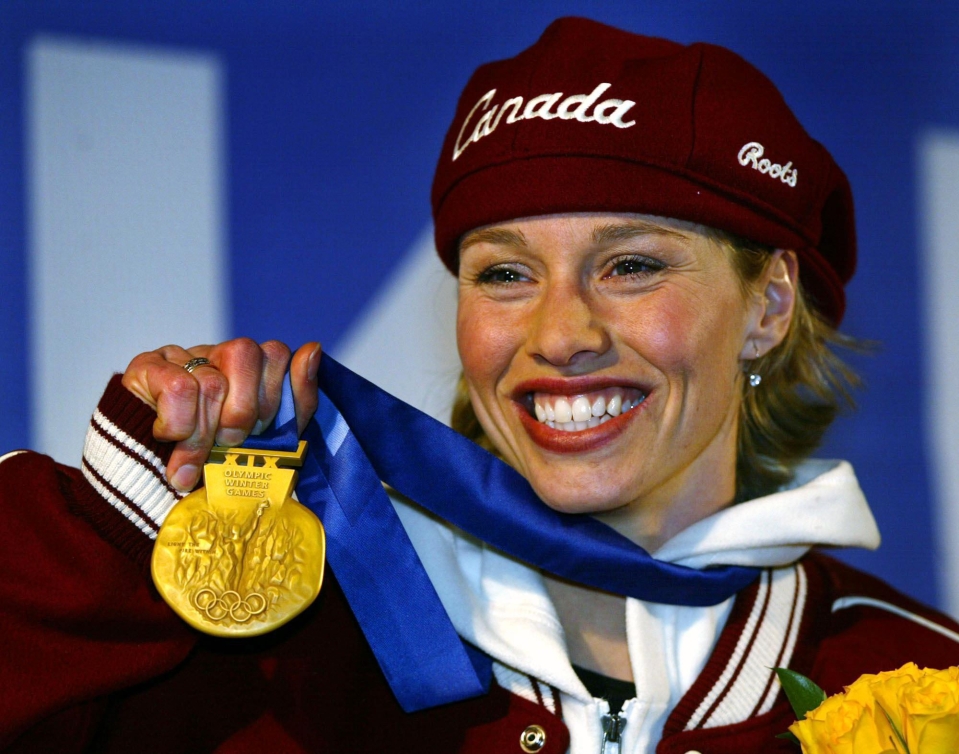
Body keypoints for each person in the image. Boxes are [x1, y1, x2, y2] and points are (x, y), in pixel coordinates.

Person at [2, 16, 958, 754]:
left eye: (630, 265)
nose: (560, 334)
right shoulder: (266, 638)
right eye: (504, 273)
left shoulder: (912, 676)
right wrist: (100, 532)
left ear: (769, 306)